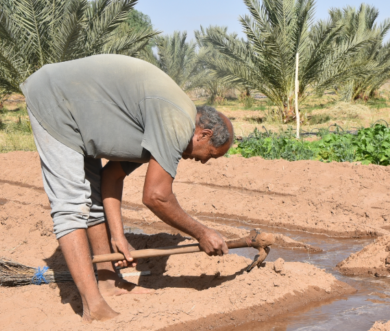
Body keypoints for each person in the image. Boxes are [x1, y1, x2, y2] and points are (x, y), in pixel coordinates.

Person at [21, 54, 234, 322]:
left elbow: (111, 176)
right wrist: (201, 233)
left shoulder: (164, 123)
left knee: (93, 192)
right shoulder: (177, 121)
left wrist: (118, 236)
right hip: (56, 99)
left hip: (80, 114)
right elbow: (157, 196)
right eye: (210, 154)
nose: (203, 161)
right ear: (204, 134)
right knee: (71, 204)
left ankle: (108, 283)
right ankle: (93, 306)